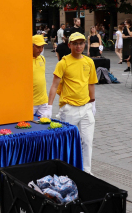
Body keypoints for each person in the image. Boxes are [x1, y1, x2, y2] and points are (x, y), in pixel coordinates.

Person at [47, 32, 97, 174]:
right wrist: (49, 106)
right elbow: (54, 86)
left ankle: (86, 171)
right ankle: (67, 171)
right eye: (75, 43)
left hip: (86, 107)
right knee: (68, 143)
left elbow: (91, 84)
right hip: (69, 108)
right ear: (69, 45)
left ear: (84, 45)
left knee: (87, 141)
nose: (78, 46)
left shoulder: (89, 62)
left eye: (81, 43)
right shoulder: (63, 62)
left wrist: (93, 103)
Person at [32, 35, 51, 118]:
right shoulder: (24, 60)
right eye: (38, 47)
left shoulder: (42, 59)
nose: (41, 49)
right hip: (30, 103)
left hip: (43, 101)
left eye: (42, 47)